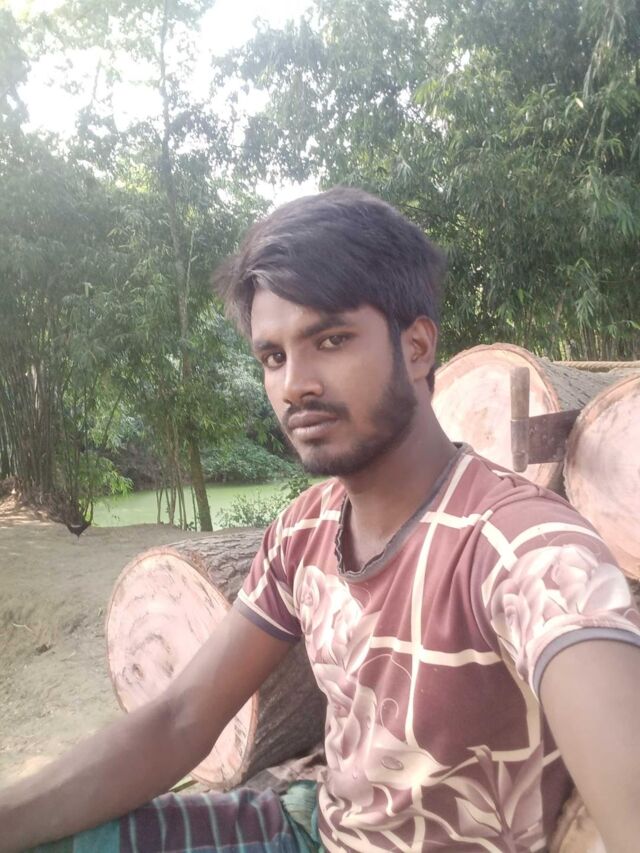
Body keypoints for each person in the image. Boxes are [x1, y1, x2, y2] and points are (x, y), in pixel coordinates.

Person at [2, 188, 640, 853]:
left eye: (330, 340)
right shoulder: (303, 531)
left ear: (417, 346)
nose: (294, 384)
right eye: (273, 358)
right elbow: (181, 718)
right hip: (313, 828)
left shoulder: (522, 548)